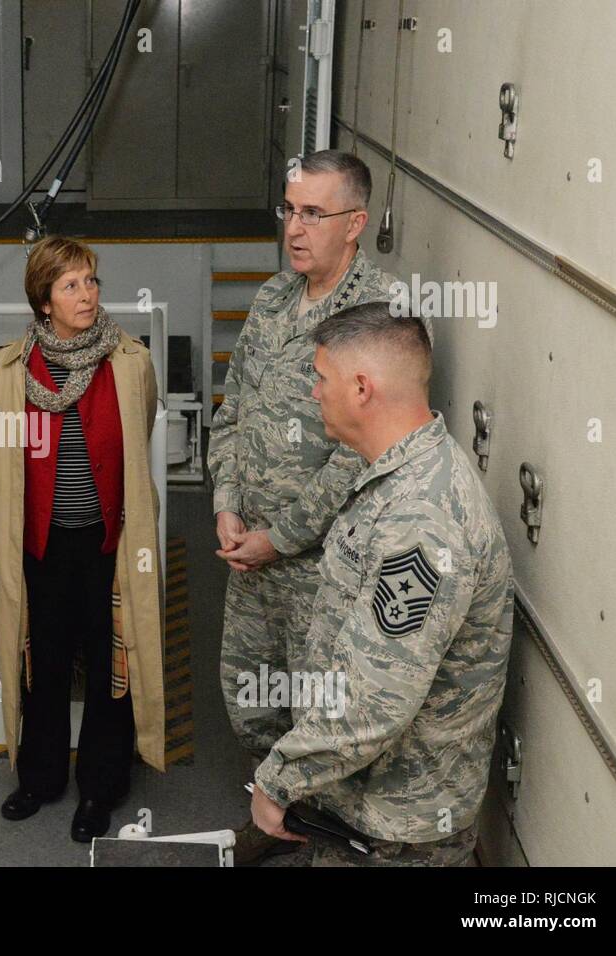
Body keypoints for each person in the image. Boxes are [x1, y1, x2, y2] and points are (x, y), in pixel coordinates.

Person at [205, 149, 424, 862]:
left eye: (312, 213)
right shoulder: (272, 299)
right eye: (288, 209)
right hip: (251, 557)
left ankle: (322, 840)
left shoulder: (379, 320)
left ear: (356, 223)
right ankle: (274, 818)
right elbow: (233, 406)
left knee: (323, 713)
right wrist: (228, 506)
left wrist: (285, 536)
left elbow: (363, 450)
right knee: (252, 703)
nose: (294, 228)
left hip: (321, 566)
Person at [251, 301, 513, 866]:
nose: (314, 392)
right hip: (365, 802)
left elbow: (374, 702)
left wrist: (279, 780)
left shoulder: (422, 518)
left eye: (321, 378)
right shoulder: (399, 476)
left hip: (395, 829)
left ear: (362, 388)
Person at [0, 236, 165, 843]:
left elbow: (138, 437)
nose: (86, 294)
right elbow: (9, 461)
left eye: (91, 282)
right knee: (43, 659)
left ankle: (100, 788)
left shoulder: (130, 362)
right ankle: (39, 779)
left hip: (108, 543)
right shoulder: (9, 372)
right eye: (71, 285)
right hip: (42, 545)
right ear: (43, 301)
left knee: (114, 664)